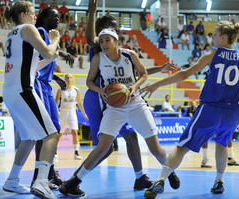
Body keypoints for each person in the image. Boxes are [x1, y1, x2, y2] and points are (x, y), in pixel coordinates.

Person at [141, 21, 239, 198]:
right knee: (222, 143)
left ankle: (161, 180)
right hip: (233, 113)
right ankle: (219, 181)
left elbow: (184, 74)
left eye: (215, 35)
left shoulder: (212, 56)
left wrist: (157, 84)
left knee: (182, 146)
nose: (213, 38)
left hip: (210, 109)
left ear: (224, 38)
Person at [59, 27, 177, 197]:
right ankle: (74, 181)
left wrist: (134, 87)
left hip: (136, 104)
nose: (104, 43)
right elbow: (89, 82)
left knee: (156, 148)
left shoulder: (129, 55)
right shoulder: (99, 58)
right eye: (102, 41)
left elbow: (143, 73)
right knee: (102, 147)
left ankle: (169, 173)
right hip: (114, 107)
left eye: (108, 40)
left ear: (116, 41)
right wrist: (102, 91)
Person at [80, 0, 179, 193]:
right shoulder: (101, 47)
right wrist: (91, 12)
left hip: (115, 98)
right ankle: (74, 180)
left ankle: (140, 177)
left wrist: (160, 68)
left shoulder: (121, 52)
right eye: (113, 29)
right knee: (106, 148)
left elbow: (134, 73)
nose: (117, 31)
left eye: (116, 30)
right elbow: (90, 39)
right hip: (100, 99)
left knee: (131, 138)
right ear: (103, 33)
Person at [1, 2, 60, 198]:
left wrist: (50, 58)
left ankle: (12, 180)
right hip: (23, 90)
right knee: (51, 135)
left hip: (10, 92)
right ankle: (42, 181)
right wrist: (54, 40)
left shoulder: (13, 34)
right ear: (25, 14)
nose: (36, 17)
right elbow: (48, 51)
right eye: (33, 13)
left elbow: (33, 66)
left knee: (28, 138)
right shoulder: (28, 28)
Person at [30, 7, 75, 191]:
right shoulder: (40, 32)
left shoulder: (48, 37)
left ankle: (49, 172)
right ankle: (38, 176)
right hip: (39, 83)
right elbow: (40, 60)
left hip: (46, 85)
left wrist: (56, 78)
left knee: (54, 131)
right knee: (45, 132)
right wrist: (60, 52)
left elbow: (48, 60)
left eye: (59, 16)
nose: (58, 18)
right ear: (44, 17)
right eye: (54, 16)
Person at [55, 74, 89, 160]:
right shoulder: (60, 90)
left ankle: (76, 153)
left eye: (70, 77)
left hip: (72, 112)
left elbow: (79, 103)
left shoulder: (76, 90)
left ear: (72, 79)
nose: (69, 79)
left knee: (74, 131)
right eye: (67, 77)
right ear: (65, 79)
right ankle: (55, 151)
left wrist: (84, 114)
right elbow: (55, 103)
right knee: (60, 133)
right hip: (62, 112)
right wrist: (57, 111)